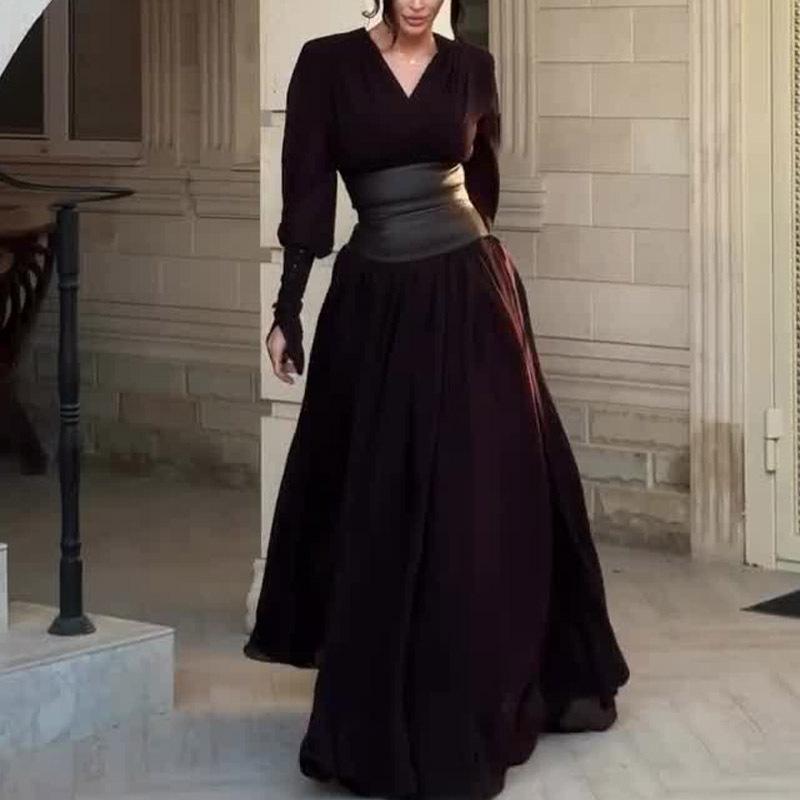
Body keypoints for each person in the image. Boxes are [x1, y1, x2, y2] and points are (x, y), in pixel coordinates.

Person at [245, 1, 630, 797]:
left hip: (472, 299)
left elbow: (481, 186)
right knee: (377, 505)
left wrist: (485, 284)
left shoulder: (473, 68)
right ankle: (380, 714)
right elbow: (307, 192)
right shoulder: (326, 63)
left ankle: (475, 697)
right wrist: (287, 311)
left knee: (478, 503)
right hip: (376, 307)